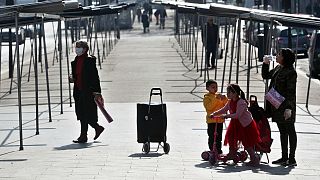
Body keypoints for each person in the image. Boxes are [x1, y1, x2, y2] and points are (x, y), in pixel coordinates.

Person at [262, 48, 298, 167]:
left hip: (286, 106)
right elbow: (266, 75)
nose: (276, 56)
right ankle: (284, 157)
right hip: (276, 104)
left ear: (284, 58)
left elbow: (290, 92)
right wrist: (265, 64)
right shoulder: (278, 68)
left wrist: (289, 108)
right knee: (282, 131)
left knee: (290, 130)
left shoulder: (291, 72)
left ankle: (292, 158)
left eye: (279, 54)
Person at [211, 84, 261, 166]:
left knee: (246, 142)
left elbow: (238, 115)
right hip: (235, 123)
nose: (228, 94)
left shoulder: (241, 102)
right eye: (227, 92)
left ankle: (254, 159)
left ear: (235, 93)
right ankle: (232, 153)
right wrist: (214, 113)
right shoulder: (230, 101)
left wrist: (226, 115)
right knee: (231, 138)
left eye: (229, 92)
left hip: (245, 124)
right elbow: (224, 109)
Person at [69, 40, 105, 143]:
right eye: (76, 47)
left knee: (88, 114)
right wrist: (72, 78)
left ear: (85, 49)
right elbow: (76, 75)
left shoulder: (89, 61)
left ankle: (95, 128)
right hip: (78, 91)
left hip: (88, 91)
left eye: (79, 47)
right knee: (81, 114)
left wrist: (97, 91)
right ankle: (84, 135)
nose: (77, 49)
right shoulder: (75, 62)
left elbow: (95, 77)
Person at [203, 80, 228, 154]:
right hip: (211, 121)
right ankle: (212, 149)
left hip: (219, 120)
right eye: (213, 87)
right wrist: (216, 99)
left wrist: (224, 99)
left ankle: (218, 150)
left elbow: (225, 105)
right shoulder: (207, 97)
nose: (215, 89)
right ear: (207, 88)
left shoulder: (218, 96)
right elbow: (209, 107)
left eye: (216, 87)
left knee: (218, 136)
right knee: (212, 136)